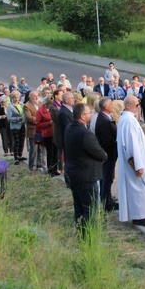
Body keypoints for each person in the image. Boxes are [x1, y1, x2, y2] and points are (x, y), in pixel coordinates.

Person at [64, 103, 107, 236]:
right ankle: (89, 237)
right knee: (90, 209)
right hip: (86, 177)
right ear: (83, 116)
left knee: (79, 207)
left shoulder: (69, 128)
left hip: (73, 174)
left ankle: (80, 233)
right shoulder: (85, 133)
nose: (91, 114)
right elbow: (101, 154)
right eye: (89, 113)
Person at [117, 96, 145, 227]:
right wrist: (138, 166)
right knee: (140, 189)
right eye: (136, 104)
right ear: (128, 105)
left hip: (138, 160)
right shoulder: (128, 121)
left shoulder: (128, 119)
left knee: (140, 189)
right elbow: (132, 145)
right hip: (136, 162)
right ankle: (141, 216)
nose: (138, 106)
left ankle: (140, 215)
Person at [94, 97, 119, 212]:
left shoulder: (106, 117)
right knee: (106, 178)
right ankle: (106, 203)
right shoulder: (103, 120)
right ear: (105, 107)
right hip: (108, 154)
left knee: (109, 177)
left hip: (110, 153)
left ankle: (108, 199)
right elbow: (107, 140)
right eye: (110, 104)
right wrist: (117, 144)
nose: (112, 105)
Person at [35, 95, 57, 177]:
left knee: (55, 152)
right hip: (47, 133)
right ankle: (50, 170)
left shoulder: (53, 109)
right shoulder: (40, 111)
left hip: (54, 132)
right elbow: (37, 123)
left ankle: (55, 169)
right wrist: (48, 123)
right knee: (50, 153)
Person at [56, 92, 75, 169]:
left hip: (73, 139)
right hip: (69, 140)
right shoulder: (63, 112)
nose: (74, 100)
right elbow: (68, 127)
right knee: (69, 160)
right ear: (66, 100)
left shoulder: (71, 109)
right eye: (72, 98)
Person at [7, 91, 26, 165]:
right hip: (15, 126)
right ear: (12, 98)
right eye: (14, 98)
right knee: (16, 142)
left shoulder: (21, 104)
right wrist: (18, 119)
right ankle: (16, 157)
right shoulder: (10, 106)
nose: (16, 99)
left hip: (22, 125)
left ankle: (20, 155)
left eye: (17, 97)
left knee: (22, 140)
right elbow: (9, 118)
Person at [24, 90, 42, 171]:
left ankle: (39, 163)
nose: (36, 97)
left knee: (40, 148)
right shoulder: (27, 106)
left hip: (40, 130)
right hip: (33, 130)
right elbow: (29, 118)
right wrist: (40, 119)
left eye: (37, 96)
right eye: (34, 96)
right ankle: (31, 166)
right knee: (33, 149)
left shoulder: (40, 103)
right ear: (30, 97)